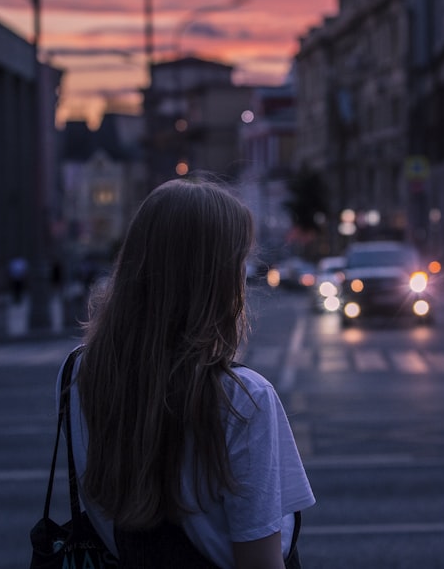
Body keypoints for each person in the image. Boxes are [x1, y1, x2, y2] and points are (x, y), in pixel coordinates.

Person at [58, 178, 315, 569]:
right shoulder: (245, 399)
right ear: (213, 279)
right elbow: (260, 562)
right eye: (237, 264)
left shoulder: (78, 372)